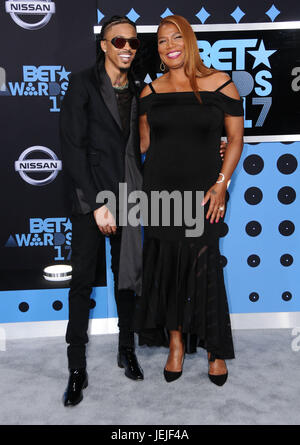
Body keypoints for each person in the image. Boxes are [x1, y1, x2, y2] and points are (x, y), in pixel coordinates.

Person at [134, 15, 244, 386]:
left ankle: (215, 350)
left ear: (190, 39)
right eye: (162, 41)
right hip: (160, 194)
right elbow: (143, 145)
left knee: (204, 268)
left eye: (176, 37)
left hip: (204, 194)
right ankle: (176, 345)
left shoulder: (221, 84)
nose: (169, 46)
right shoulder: (150, 92)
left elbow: (236, 140)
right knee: (167, 269)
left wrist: (221, 183)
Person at [59, 15, 145, 407]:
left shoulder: (141, 90)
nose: (127, 47)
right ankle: (77, 367)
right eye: (119, 41)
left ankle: (126, 348)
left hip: (129, 195)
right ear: (104, 45)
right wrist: (97, 204)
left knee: (126, 277)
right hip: (89, 198)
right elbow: (73, 148)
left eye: (133, 42)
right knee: (81, 284)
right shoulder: (82, 83)